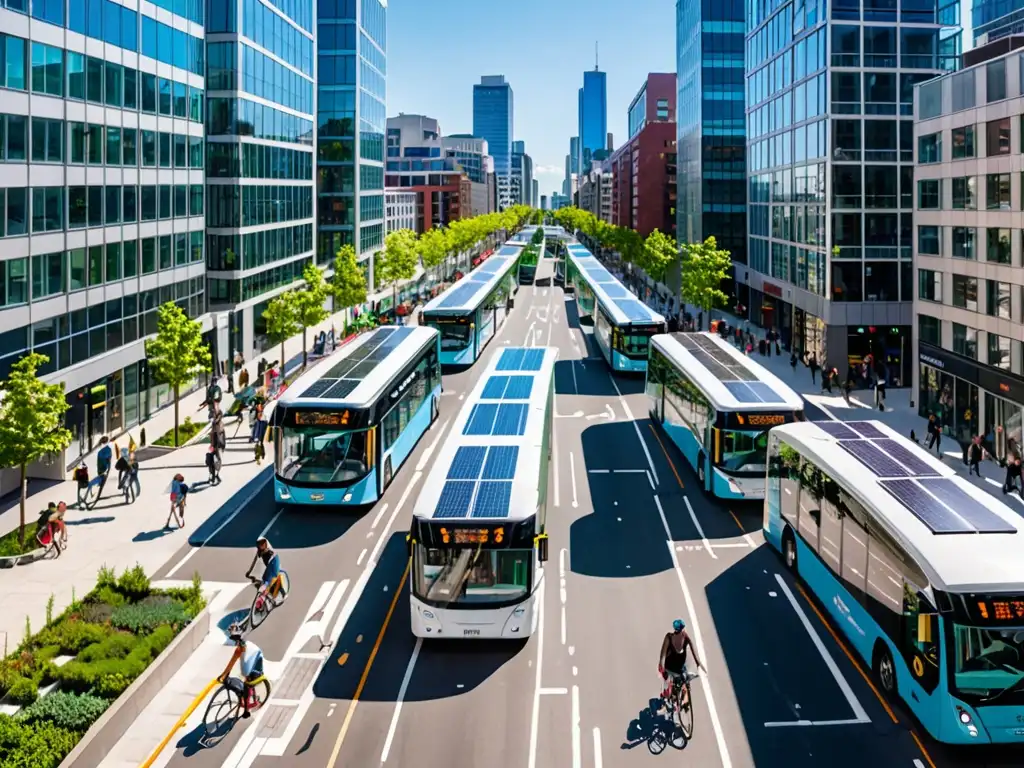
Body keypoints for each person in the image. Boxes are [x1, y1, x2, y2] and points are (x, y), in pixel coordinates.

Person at [658, 619, 705, 711]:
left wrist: (698, 663)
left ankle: (679, 699)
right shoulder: (673, 637)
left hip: (676, 667)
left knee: (683, 681)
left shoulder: (678, 637)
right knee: (680, 681)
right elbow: (663, 655)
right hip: (672, 667)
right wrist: (663, 668)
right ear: (682, 629)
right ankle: (673, 700)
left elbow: (692, 647)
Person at [226, 623, 265, 719]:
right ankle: (247, 698)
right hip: (251, 665)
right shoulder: (242, 645)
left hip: (256, 670)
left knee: (246, 687)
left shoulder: (245, 647)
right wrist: (225, 673)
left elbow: (245, 671)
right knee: (243, 682)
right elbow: (234, 659)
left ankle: (246, 711)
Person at [245, 537, 284, 606]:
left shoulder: (269, 551)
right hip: (269, 567)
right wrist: (249, 571)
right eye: (259, 545)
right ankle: (268, 595)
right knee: (267, 581)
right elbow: (254, 561)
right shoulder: (260, 552)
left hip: (272, 566)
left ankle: (279, 596)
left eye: (262, 544)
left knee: (269, 580)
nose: (261, 546)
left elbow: (273, 561)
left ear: (266, 544)